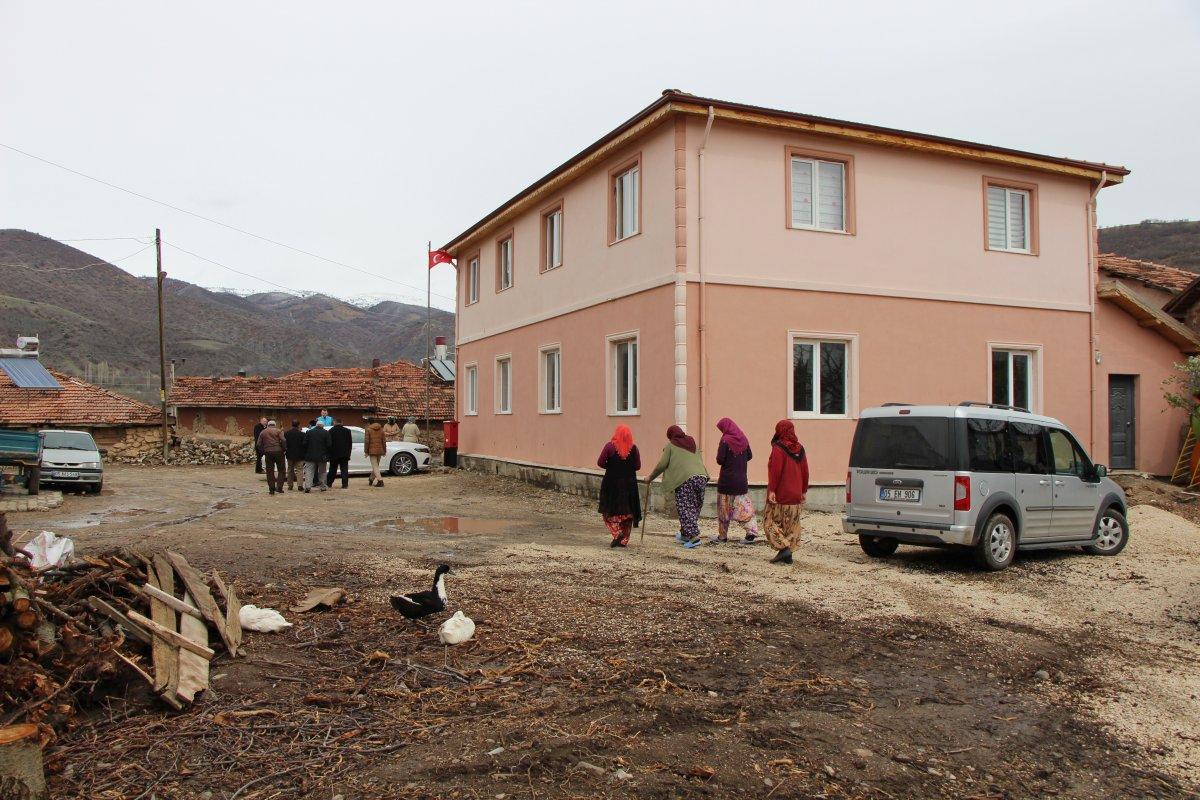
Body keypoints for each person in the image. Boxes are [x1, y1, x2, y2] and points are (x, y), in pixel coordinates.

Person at [645, 425, 709, 549]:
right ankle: (685, 534)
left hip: (685, 479)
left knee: (685, 508)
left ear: (670, 436)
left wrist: (650, 477)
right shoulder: (692, 443)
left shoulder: (671, 445)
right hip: (701, 477)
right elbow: (699, 460)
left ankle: (694, 537)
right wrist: (706, 475)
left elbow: (662, 464)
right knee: (694, 507)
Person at [764, 420, 810, 565]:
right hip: (796, 494)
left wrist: (772, 490)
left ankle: (783, 549)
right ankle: (787, 553)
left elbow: (775, 471)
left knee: (769, 522)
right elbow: (805, 471)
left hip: (781, 493)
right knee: (791, 525)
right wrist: (803, 491)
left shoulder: (778, 448)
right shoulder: (800, 448)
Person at [714, 417, 760, 544]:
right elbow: (750, 456)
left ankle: (722, 537)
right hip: (741, 481)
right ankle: (751, 532)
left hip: (726, 481)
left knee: (724, 510)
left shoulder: (725, 440)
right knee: (745, 508)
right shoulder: (743, 439)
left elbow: (720, 460)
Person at [597, 425, 641, 548]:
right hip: (629, 485)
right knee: (627, 514)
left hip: (612, 484)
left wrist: (611, 467)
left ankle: (617, 534)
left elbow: (600, 462)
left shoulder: (609, 447)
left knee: (608, 511)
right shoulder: (634, 448)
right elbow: (637, 466)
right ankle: (624, 540)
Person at [256, 420, 286, 495]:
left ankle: (271, 489)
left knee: (270, 471)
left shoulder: (263, 432)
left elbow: (258, 444)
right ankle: (279, 488)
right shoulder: (278, 431)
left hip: (268, 452)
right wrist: (283, 449)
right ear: (275, 425)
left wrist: (263, 452)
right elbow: (283, 440)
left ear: (268, 425)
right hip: (279, 452)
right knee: (281, 470)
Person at [302, 420, 332, 492]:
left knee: (309, 471)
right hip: (322, 456)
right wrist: (327, 454)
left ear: (316, 425)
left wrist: (306, 452)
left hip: (310, 456)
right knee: (322, 472)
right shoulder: (326, 433)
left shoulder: (309, 432)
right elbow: (329, 445)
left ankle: (308, 487)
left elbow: (304, 444)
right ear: (323, 426)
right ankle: (323, 486)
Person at [327, 419, 353, 489]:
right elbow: (350, 443)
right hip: (344, 454)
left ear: (334, 423)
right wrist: (348, 453)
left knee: (332, 469)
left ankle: (329, 483)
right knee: (344, 469)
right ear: (342, 423)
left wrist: (329, 454)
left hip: (334, 454)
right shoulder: (347, 431)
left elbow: (329, 444)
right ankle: (345, 484)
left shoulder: (331, 431)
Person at [283, 420, 306, 491]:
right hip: (300, 455)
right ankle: (300, 485)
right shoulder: (302, 434)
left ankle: (290, 485)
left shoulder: (286, 433)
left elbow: (285, 444)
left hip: (290, 454)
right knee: (299, 470)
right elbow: (304, 445)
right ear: (298, 425)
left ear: (292, 425)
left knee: (290, 470)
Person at [364, 420, 387, 486]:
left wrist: (366, 451)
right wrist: (384, 451)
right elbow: (384, 441)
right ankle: (371, 478)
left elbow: (367, 441)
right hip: (380, 450)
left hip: (372, 450)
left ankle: (380, 481)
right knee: (376, 466)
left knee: (375, 466)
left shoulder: (368, 430)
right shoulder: (381, 429)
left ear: (369, 423)